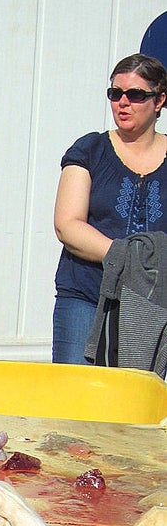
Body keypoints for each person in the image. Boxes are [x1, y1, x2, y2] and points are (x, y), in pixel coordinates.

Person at [52, 53, 167, 364]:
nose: (123, 102)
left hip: (155, 303)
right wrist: (129, 259)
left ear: (159, 101)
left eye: (136, 94)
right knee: (74, 398)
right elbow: (67, 224)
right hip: (87, 294)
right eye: (115, 93)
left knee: (139, 402)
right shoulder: (90, 149)